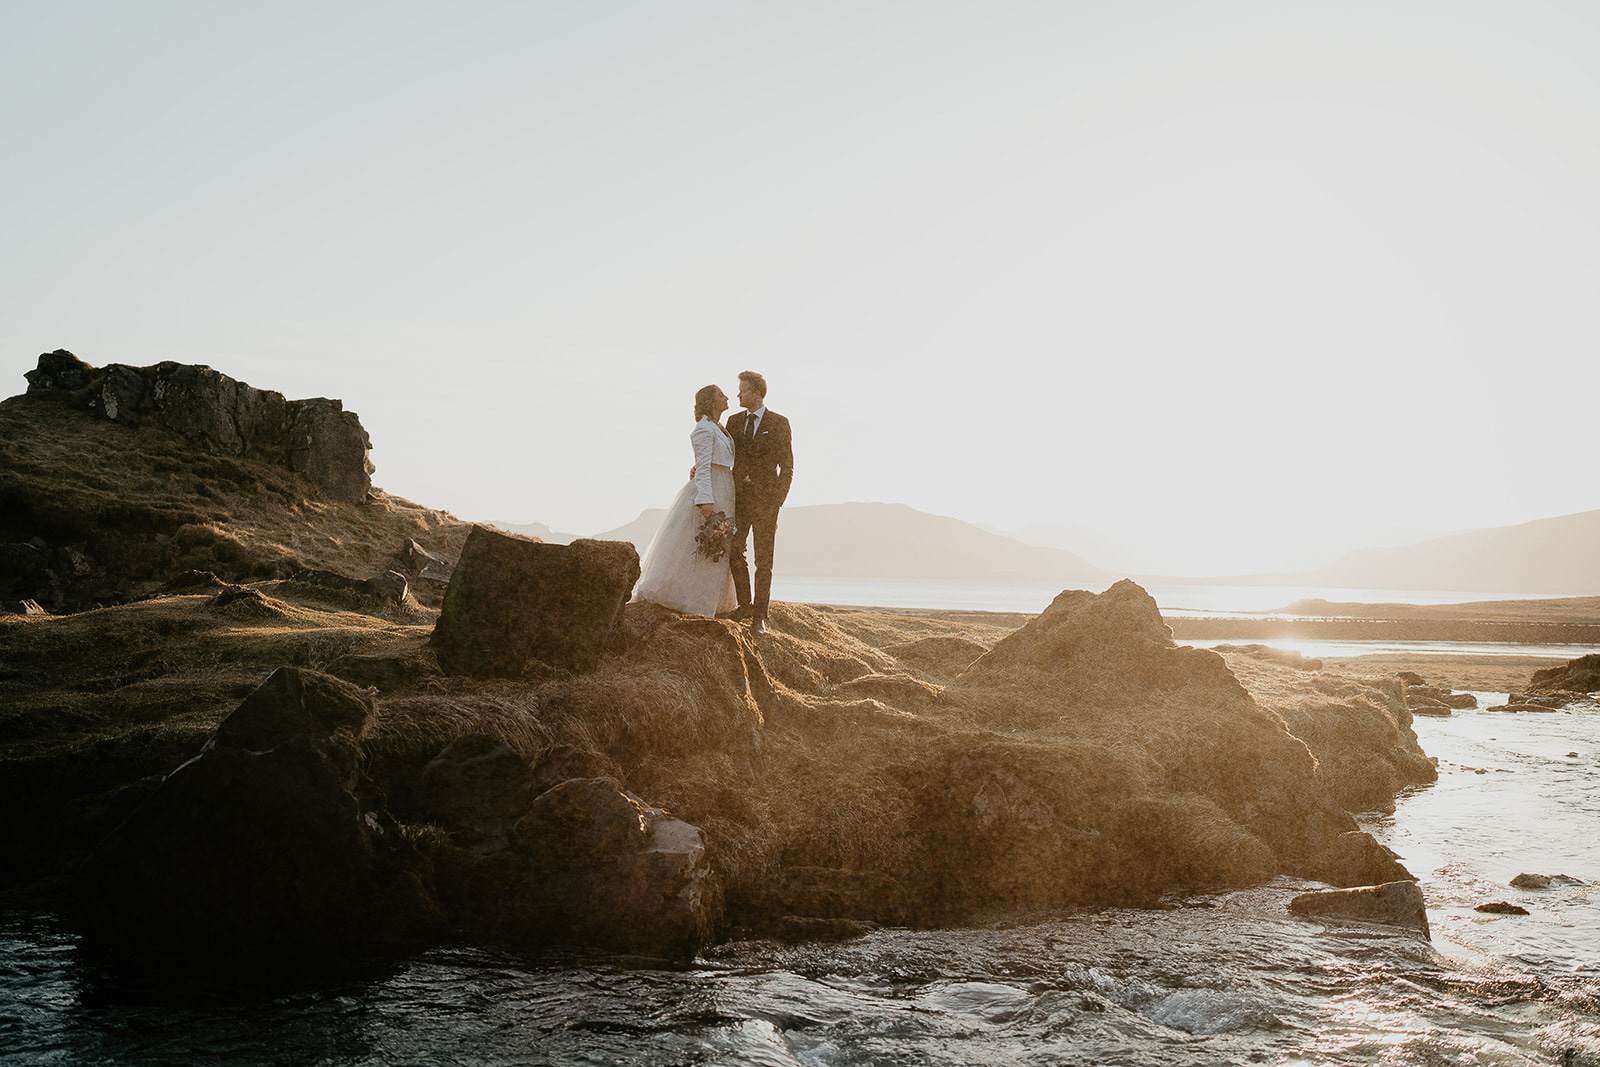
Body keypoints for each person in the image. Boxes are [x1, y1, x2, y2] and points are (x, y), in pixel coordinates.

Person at [633, 384, 738, 617]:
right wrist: (705, 500)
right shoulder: (703, 428)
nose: (727, 397)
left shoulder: (719, 427)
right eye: (721, 394)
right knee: (697, 545)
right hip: (711, 489)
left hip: (725, 487)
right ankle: (686, 599)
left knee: (717, 544)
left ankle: (708, 599)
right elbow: (702, 467)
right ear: (711, 401)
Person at [726, 371, 793, 635]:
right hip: (739, 501)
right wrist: (700, 467)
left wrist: (777, 500)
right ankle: (745, 605)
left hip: (766, 503)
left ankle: (759, 617)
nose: (738, 394)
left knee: (763, 561)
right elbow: (720, 451)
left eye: (742, 389)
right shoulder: (733, 422)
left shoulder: (779, 423)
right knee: (733, 550)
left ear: (756, 392)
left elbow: (787, 467)